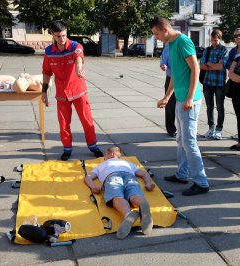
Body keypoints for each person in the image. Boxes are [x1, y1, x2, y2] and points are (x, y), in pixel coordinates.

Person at [150, 17, 209, 196]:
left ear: (165, 29)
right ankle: (182, 174)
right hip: (180, 98)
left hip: (189, 101)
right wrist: (167, 97)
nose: (156, 37)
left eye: (157, 34)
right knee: (181, 140)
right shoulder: (171, 45)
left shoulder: (183, 41)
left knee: (189, 141)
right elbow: (175, 74)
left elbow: (196, 69)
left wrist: (190, 98)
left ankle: (201, 182)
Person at [42, 20, 103, 161]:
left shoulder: (76, 46)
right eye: (58, 36)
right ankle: (67, 149)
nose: (62, 39)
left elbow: (78, 58)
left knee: (87, 121)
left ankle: (93, 146)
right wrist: (44, 92)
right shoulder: (49, 52)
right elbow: (46, 72)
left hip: (79, 92)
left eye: (64, 35)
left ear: (66, 32)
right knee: (63, 124)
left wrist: (78, 68)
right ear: (52, 35)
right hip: (62, 95)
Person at [84, 146, 155, 240]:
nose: (104, 157)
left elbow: (87, 177)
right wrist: (148, 184)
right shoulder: (128, 163)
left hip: (112, 176)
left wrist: (94, 187)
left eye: (105, 155)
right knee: (134, 195)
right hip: (130, 176)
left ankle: (128, 214)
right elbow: (144, 174)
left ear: (111, 154)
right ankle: (142, 203)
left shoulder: (102, 164)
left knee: (117, 197)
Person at [200, 29, 229, 140]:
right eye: (212, 40)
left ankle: (219, 129)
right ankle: (211, 127)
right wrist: (213, 65)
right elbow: (201, 65)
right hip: (207, 82)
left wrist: (209, 64)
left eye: (216, 40)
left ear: (220, 39)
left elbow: (221, 66)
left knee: (220, 107)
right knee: (209, 107)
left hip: (219, 83)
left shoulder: (224, 50)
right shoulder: (207, 50)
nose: (213, 42)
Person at [226, 28, 240, 140]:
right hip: (234, 84)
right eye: (235, 36)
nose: (238, 37)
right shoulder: (233, 51)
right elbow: (228, 63)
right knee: (238, 113)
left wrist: (235, 69)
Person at [160, 43, 177, 137]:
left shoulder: (183, 46)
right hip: (170, 77)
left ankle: (183, 129)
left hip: (182, 79)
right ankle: (171, 129)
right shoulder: (167, 48)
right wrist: (163, 66)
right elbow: (163, 61)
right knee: (170, 105)